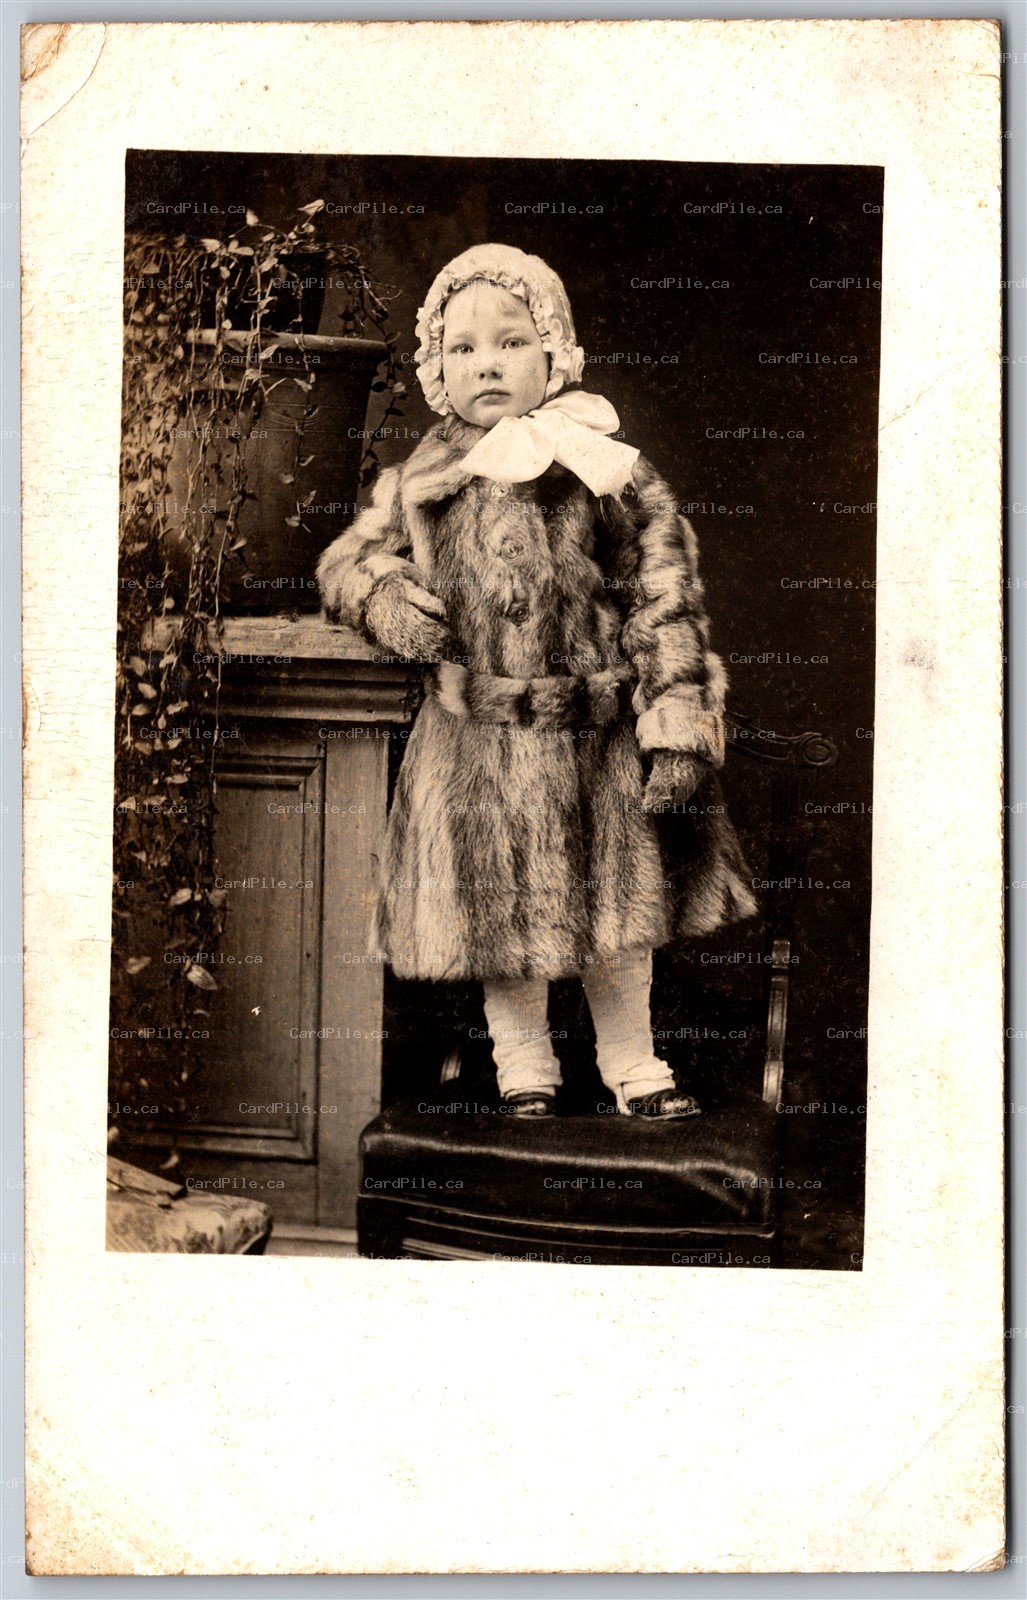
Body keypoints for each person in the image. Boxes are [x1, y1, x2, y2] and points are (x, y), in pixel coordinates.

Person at [318, 243, 755, 1120]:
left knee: (618, 913)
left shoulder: (603, 468)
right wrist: (385, 595)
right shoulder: (421, 480)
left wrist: (674, 718)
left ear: (554, 353)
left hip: (594, 738)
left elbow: (663, 596)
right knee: (496, 913)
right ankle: (523, 1064)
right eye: (463, 347)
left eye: (511, 342)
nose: (486, 363)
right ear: (437, 368)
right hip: (473, 743)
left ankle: (632, 1063)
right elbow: (346, 563)